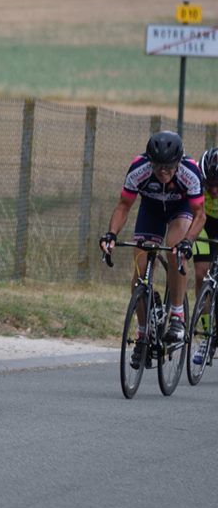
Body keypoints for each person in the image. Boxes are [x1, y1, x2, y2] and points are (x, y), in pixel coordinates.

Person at [99, 131, 205, 369]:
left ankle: (177, 315)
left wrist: (188, 241)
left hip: (181, 209)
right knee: (139, 274)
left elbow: (200, 214)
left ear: (178, 162)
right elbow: (124, 206)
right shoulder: (139, 168)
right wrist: (111, 235)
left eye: (168, 166)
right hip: (152, 211)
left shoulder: (190, 172)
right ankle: (143, 335)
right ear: (150, 161)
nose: (163, 171)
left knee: (176, 251)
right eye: (158, 166)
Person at [190, 147, 218, 365]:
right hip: (204, 223)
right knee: (201, 275)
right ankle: (206, 337)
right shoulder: (197, 176)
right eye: (210, 185)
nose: (214, 191)